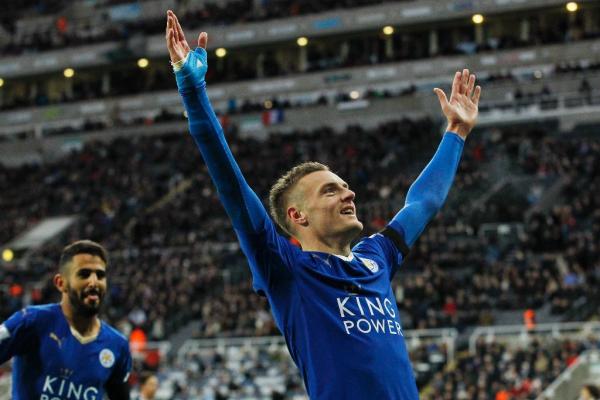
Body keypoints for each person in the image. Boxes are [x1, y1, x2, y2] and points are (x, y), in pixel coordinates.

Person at [165, 10, 481, 400]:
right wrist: (192, 94)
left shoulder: (376, 257)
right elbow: (230, 184)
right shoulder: (287, 269)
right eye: (331, 191)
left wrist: (456, 133)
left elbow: (424, 202)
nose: (349, 194)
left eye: (345, 187)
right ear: (297, 216)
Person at [0, 240, 132, 399]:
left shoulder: (117, 345)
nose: (94, 281)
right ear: (61, 283)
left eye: (100, 275)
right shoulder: (31, 321)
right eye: (84, 274)